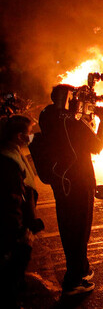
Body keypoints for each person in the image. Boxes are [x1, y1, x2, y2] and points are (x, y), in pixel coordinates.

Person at [38, 84, 103, 295]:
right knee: (79, 230)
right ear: (69, 100)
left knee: (67, 226)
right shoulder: (73, 123)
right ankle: (74, 280)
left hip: (61, 180)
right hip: (79, 181)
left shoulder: (47, 116)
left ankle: (81, 268)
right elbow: (96, 146)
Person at [0, 115, 44, 308]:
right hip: (11, 233)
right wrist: (19, 233)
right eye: (29, 133)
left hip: (20, 223)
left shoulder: (13, 152)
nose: (32, 136)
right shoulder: (8, 163)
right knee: (10, 272)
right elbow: (11, 203)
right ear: (19, 136)